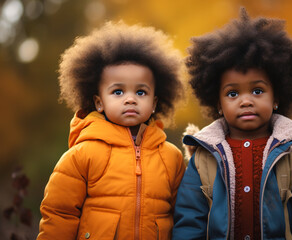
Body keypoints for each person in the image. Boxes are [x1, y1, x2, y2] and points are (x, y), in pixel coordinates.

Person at [172, 8, 292, 240]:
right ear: (217, 103)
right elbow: (189, 221)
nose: (246, 100)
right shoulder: (203, 159)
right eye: (232, 93)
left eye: (257, 91)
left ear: (276, 97)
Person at [37, 21, 186, 240]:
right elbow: (59, 215)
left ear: (154, 103)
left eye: (141, 92)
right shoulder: (82, 154)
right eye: (117, 91)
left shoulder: (171, 157)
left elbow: (183, 216)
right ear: (99, 102)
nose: (130, 99)